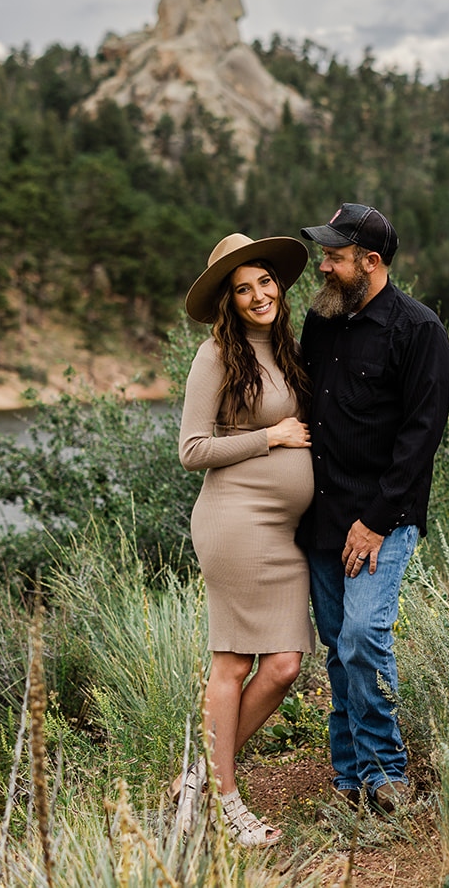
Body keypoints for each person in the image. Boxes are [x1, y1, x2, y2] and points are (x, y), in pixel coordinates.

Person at [296, 203, 449, 813]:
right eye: (324, 254)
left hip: (381, 520)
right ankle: (350, 774)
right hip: (321, 517)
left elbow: (421, 435)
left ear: (371, 262)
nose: (324, 266)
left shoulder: (419, 330)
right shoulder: (321, 320)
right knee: (338, 643)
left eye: (334, 256)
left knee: (363, 634)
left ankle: (387, 769)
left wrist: (375, 522)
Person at [171, 232, 316, 846]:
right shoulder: (215, 357)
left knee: (283, 665)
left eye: (264, 282)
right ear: (228, 301)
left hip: (282, 531)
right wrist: (271, 439)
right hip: (235, 521)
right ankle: (225, 802)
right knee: (231, 663)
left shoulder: (284, 347)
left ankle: (199, 778)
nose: (258, 295)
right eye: (242, 289)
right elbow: (191, 450)